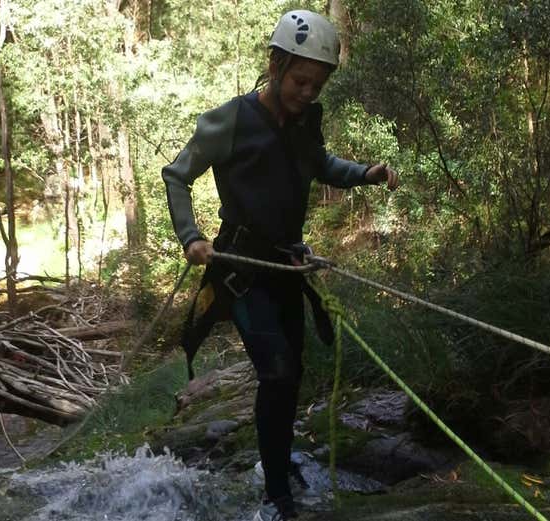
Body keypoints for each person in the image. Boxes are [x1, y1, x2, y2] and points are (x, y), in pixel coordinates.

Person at [162, 9, 399, 521]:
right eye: (300, 80)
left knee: (291, 374)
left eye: (317, 84)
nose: (308, 92)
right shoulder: (231, 119)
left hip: (287, 267)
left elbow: (321, 165)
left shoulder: (304, 122)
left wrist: (367, 172)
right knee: (276, 370)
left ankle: (276, 461)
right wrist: (191, 237)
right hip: (241, 272)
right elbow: (177, 176)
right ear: (275, 64)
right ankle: (278, 497)